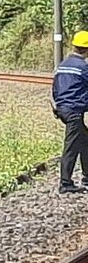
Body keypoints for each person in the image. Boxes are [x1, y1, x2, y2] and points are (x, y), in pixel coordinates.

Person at [51, 30, 88, 193]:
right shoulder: (83, 67)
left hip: (62, 109)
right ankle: (65, 183)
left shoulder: (63, 65)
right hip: (74, 111)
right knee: (71, 146)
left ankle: (87, 176)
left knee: (84, 140)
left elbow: (55, 89)